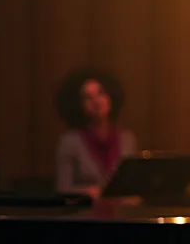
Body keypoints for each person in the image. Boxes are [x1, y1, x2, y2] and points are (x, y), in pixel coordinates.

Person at [53, 67, 137, 200]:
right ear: (78, 105)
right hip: (85, 215)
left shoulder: (127, 139)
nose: (96, 101)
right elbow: (62, 188)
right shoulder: (70, 142)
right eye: (88, 98)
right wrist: (86, 192)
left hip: (123, 215)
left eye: (101, 93)